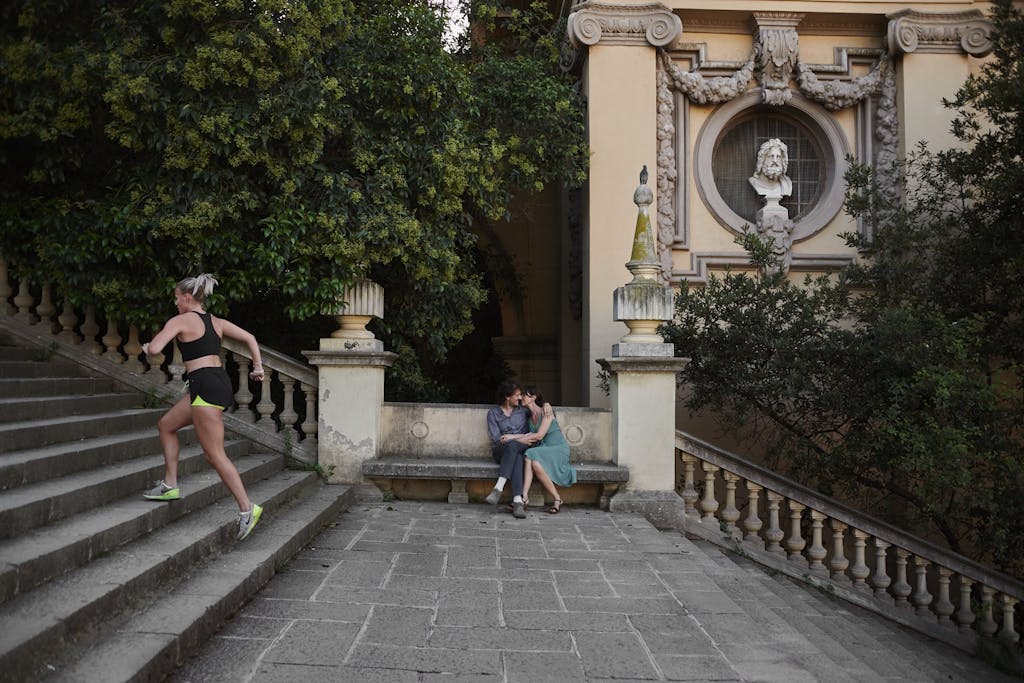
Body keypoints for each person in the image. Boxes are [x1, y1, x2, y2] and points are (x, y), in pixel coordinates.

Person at [140, 274, 265, 541]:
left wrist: (147, 347)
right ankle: (170, 484)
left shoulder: (180, 320)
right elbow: (251, 338)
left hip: (205, 385)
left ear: (187, 298)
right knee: (166, 425)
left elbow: (156, 349)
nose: (175, 302)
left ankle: (247, 508)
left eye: (176, 297)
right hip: (213, 382)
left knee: (214, 455)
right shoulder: (216, 322)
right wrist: (257, 368)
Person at [484, 380, 535, 519]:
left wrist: (513, 437)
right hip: (501, 451)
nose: (520, 398)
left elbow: (539, 408)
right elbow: (496, 439)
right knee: (516, 455)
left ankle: (498, 488)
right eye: (517, 395)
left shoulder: (523, 411)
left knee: (514, 447)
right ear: (507, 397)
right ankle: (518, 501)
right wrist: (518, 438)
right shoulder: (493, 413)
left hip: (523, 445)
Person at [521, 387, 576, 514]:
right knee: (535, 463)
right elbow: (529, 436)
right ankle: (557, 499)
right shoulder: (529, 419)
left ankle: (524, 496)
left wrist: (547, 403)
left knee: (529, 454)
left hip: (558, 448)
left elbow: (539, 435)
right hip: (544, 450)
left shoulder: (546, 412)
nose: (522, 397)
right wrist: (511, 437)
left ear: (533, 397)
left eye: (525, 395)